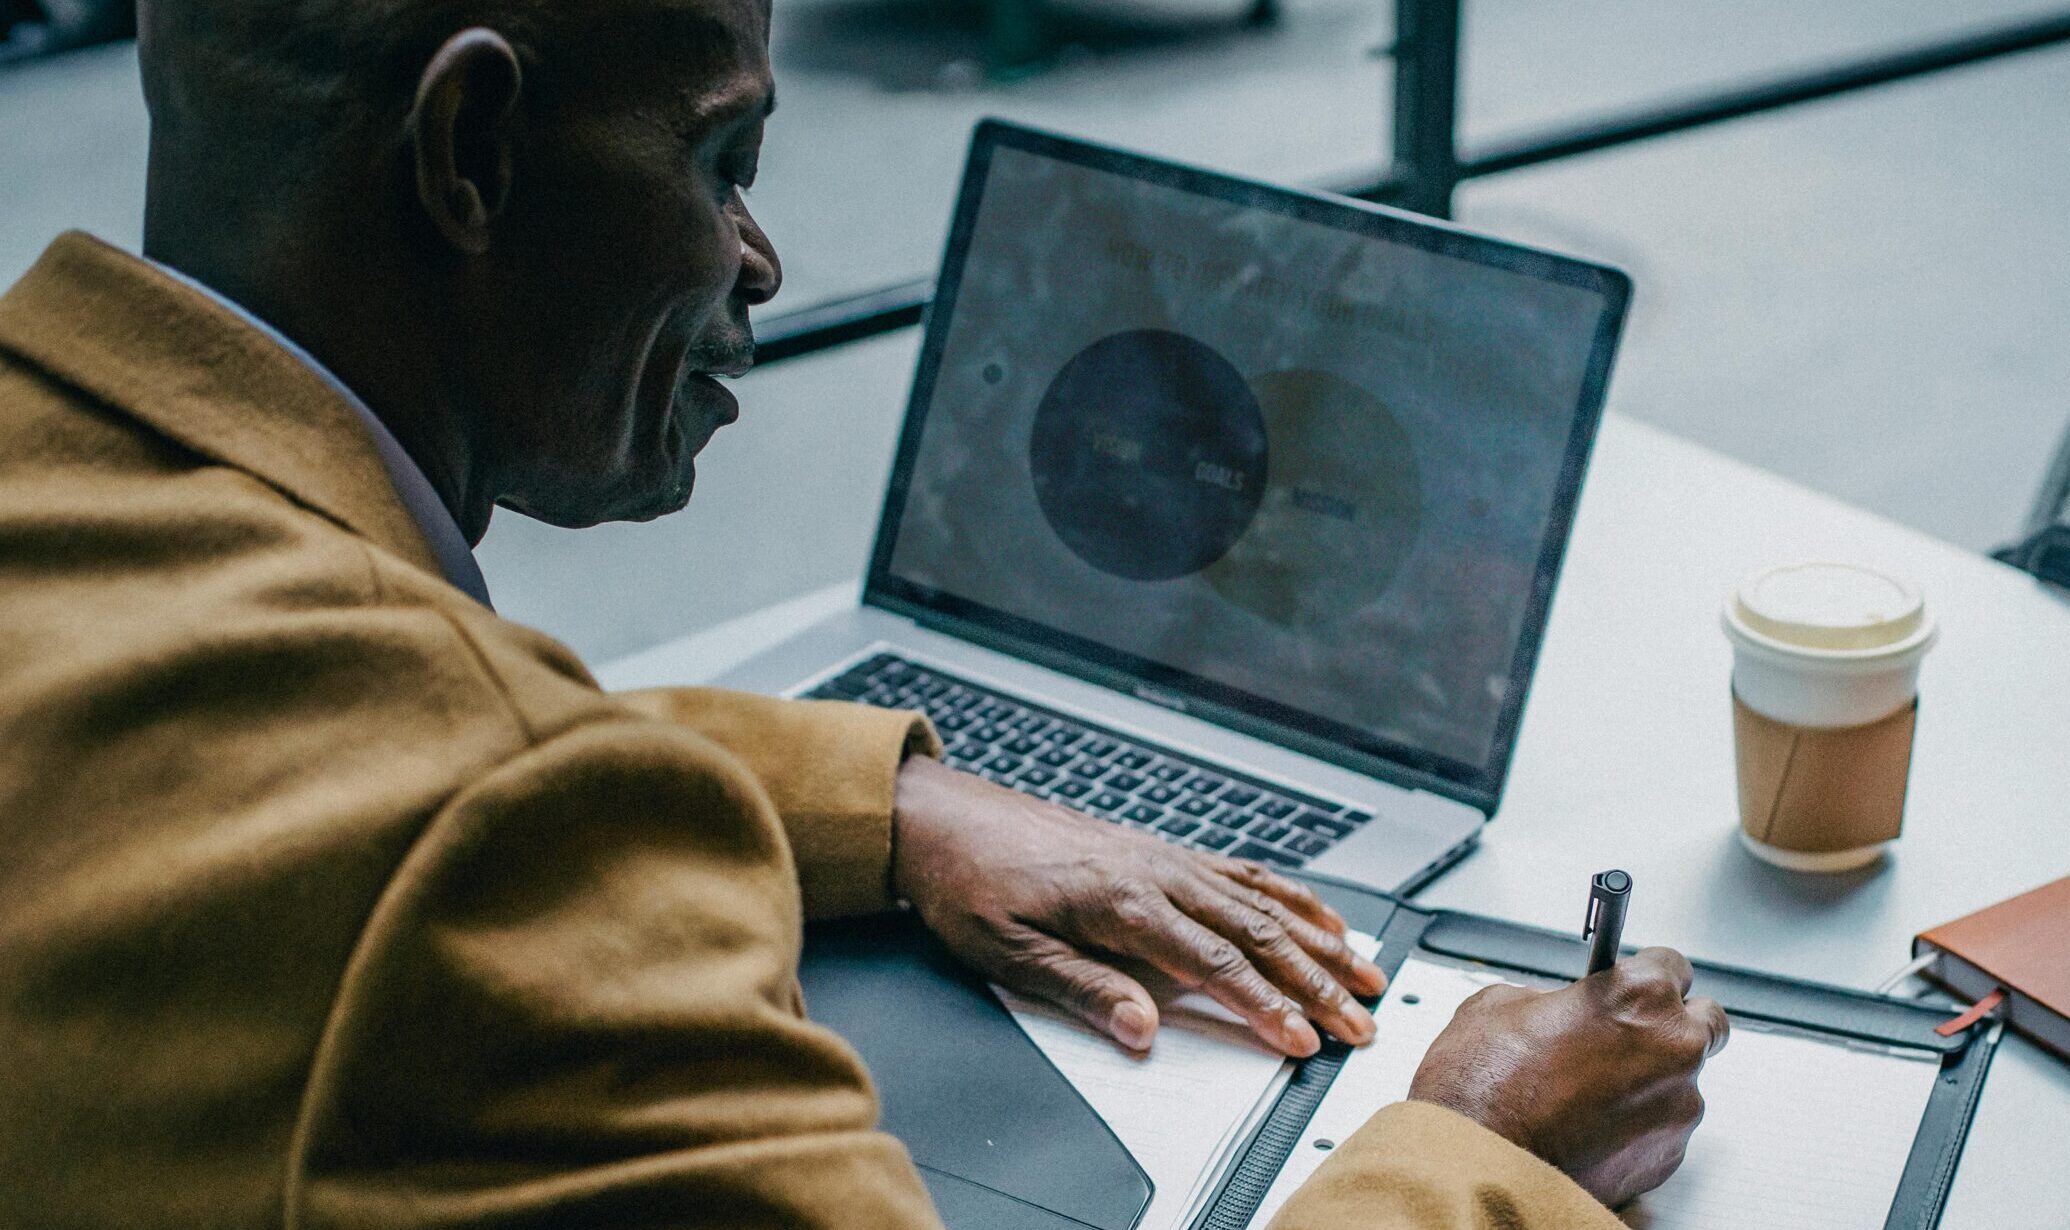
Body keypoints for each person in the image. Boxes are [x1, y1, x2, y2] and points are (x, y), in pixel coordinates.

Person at [0, 1, 1730, 1224]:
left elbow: (310, 744)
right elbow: (449, 805)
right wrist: (1476, 1146)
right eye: (721, 159)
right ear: (472, 149)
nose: (756, 258)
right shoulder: (489, 848)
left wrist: (894, 800)